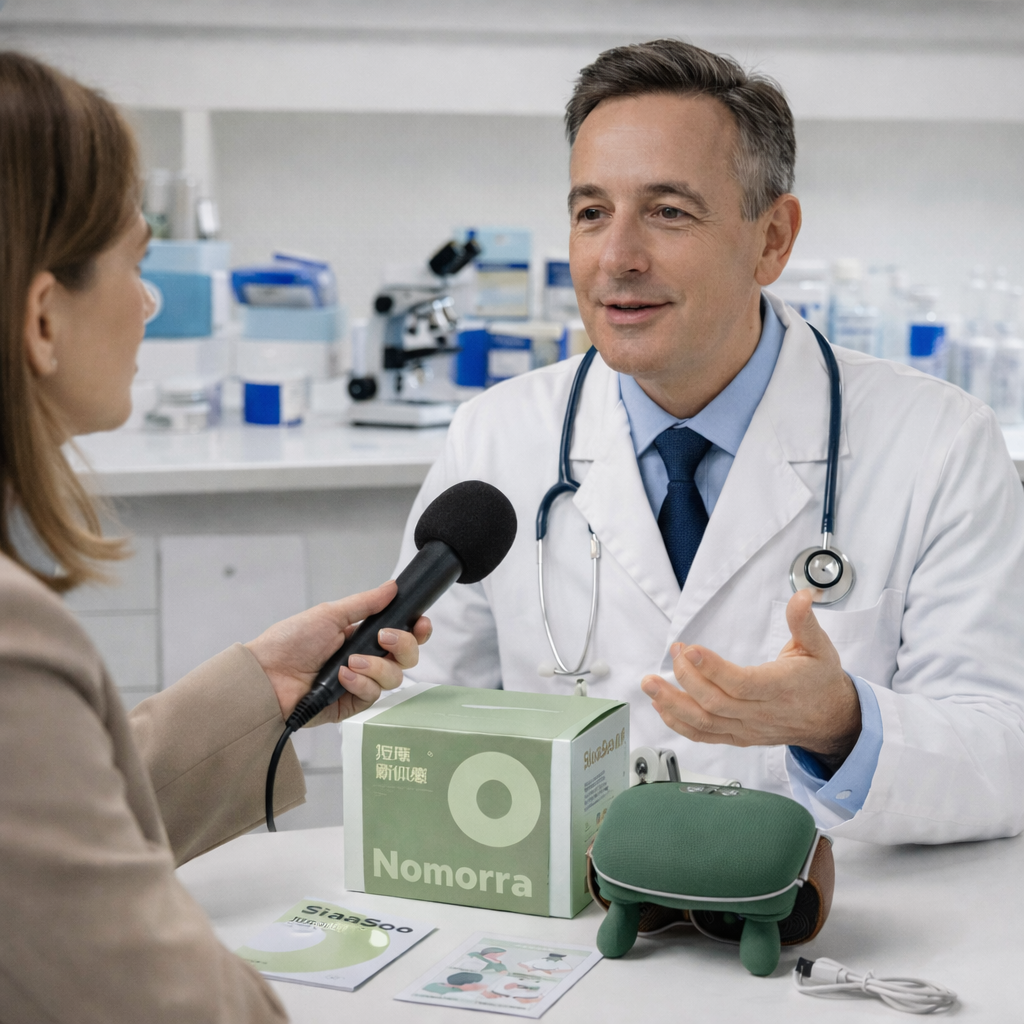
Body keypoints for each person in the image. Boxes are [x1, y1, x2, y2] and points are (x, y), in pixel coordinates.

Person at [395, 39, 1024, 845]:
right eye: (592, 212)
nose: (617, 258)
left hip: (825, 935)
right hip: (577, 930)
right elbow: (418, 709)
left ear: (773, 240)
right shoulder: (497, 438)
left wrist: (843, 723)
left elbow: (1004, 752)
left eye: (668, 211)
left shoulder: (938, 445)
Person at [0, 53, 429, 1023]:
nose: (150, 301)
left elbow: (37, 822)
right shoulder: (12, 642)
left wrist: (255, 695)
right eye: (136, 262)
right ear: (40, 317)